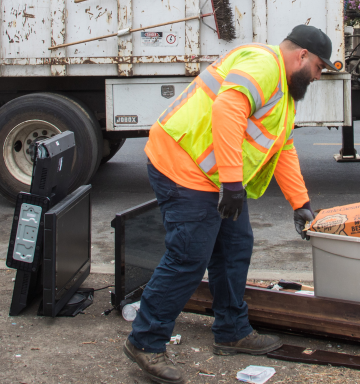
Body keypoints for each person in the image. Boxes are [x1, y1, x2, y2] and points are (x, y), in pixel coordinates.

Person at [123, 25, 336, 384]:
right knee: (188, 257)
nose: (318, 75)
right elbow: (227, 110)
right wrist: (232, 183)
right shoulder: (264, 65)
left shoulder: (284, 93)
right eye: (318, 67)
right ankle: (145, 342)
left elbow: (281, 147)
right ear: (302, 56)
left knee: (235, 247)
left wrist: (301, 203)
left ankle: (232, 331)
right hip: (183, 163)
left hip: (212, 176)